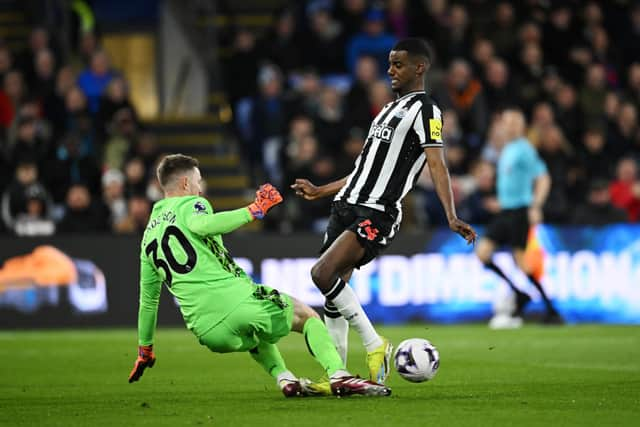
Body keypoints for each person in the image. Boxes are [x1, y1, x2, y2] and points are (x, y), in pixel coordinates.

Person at [291, 38, 477, 384]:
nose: (390, 70)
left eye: (398, 64)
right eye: (390, 64)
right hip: (345, 205)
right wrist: (321, 191)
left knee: (322, 274)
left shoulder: (427, 111)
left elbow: (437, 165)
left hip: (377, 212)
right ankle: (338, 374)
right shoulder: (389, 110)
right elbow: (363, 170)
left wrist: (450, 215)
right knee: (333, 293)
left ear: (419, 68)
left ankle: (375, 343)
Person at [128, 154, 390, 398]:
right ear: (185, 183)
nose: (200, 188)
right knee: (307, 316)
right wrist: (254, 209)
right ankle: (339, 375)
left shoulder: (148, 236)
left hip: (206, 329)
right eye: (198, 182)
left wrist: (145, 350)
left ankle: (284, 378)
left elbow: (148, 302)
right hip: (235, 301)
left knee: (256, 336)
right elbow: (203, 225)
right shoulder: (192, 204)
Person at [474, 109, 562, 327]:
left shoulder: (524, 149)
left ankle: (551, 309)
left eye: (514, 122)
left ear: (521, 126)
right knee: (483, 253)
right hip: (506, 211)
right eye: (507, 122)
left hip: (520, 211)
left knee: (521, 263)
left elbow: (543, 178)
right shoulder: (507, 149)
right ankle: (519, 294)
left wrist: (535, 205)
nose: (509, 126)